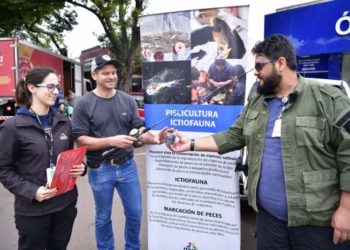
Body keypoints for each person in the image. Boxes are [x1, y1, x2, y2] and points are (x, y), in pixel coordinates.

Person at [163, 34, 350, 250]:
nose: (255, 72)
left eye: (260, 66)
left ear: (281, 64)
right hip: (269, 221)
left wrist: (346, 209)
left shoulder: (327, 99)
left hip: (317, 225)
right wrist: (191, 144)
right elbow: (234, 136)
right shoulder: (257, 103)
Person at [71, 54, 165, 250]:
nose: (111, 77)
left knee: (135, 213)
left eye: (113, 73)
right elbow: (80, 140)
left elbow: (138, 129)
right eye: (106, 73)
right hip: (99, 169)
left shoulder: (127, 100)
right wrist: (111, 141)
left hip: (127, 166)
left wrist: (153, 138)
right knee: (103, 217)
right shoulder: (83, 103)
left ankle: (133, 247)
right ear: (94, 75)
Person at [0, 66, 86, 250]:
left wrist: (81, 167)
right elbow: (4, 170)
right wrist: (32, 191)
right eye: (50, 87)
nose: (55, 92)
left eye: (57, 87)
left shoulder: (64, 122)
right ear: (32, 88)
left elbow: (68, 157)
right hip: (33, 210)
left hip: (65, 205)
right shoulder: (13, 127)